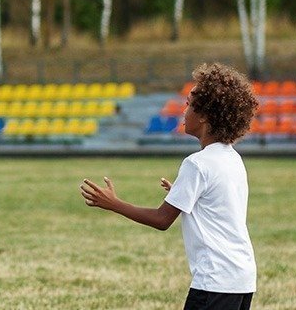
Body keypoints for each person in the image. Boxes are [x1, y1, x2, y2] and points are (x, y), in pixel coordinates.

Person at [80, 63, 259, 310]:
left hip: (214, 281)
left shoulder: (197, 164)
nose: (183, 112)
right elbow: (218, 206)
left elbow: (162, 220)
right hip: (242, 278)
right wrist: (183, 192)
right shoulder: (232, 158)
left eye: (189, 106)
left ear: (205, 116)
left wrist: (114, 204)